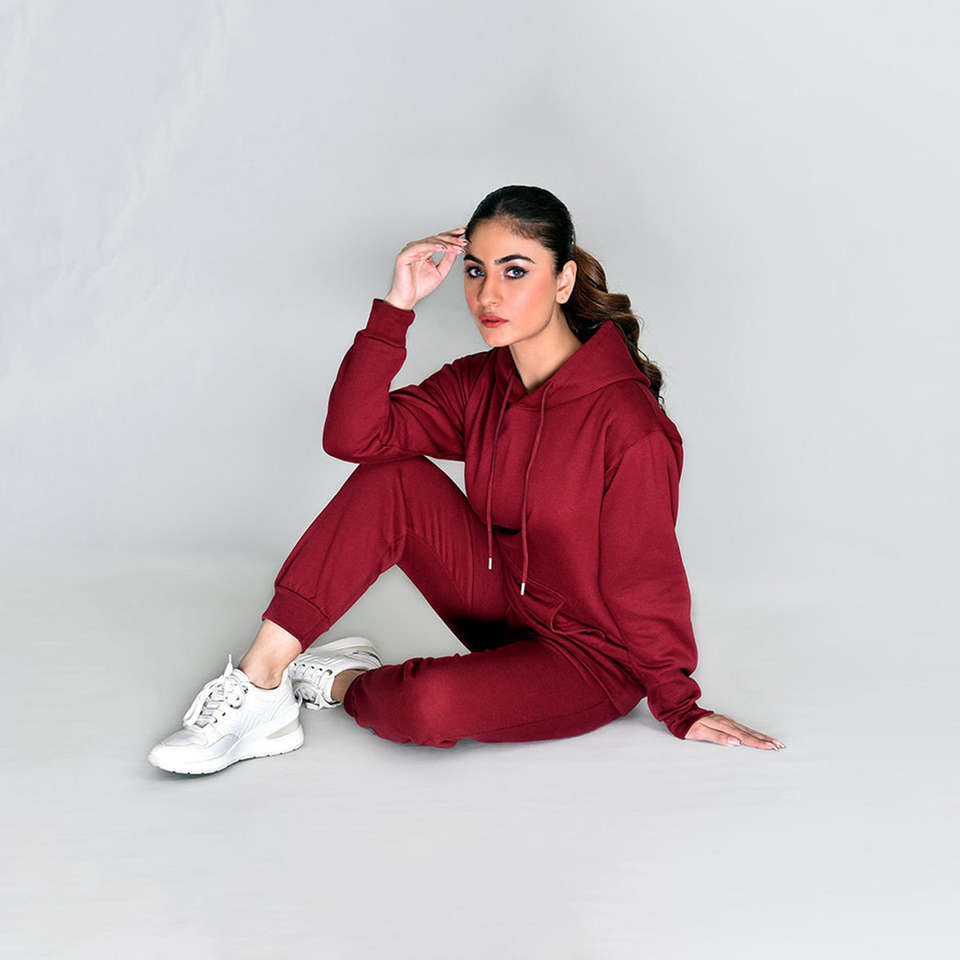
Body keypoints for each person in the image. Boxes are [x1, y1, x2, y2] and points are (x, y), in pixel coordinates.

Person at [148, 185, 785, 775]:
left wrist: (678, 704)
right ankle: (261, 685)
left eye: (516, 271)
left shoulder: (629, 425)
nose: (488, 295)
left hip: (589, 659)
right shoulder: (480, 383)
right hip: (502, 602)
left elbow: (646, 577)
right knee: (392, 477)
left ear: (564, 281)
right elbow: (353, 438)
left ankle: (336, 679)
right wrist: (397, 305)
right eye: (476, 271)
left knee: (423, 707)